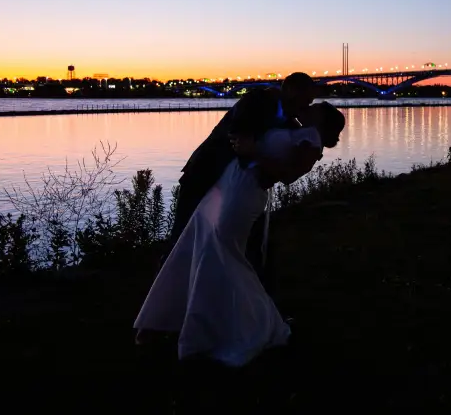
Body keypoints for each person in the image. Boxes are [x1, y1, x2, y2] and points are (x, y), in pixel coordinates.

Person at [133, 101, 346, 366]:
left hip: (246, 191)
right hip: (230, 179)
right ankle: (166, 321)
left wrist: (254, 151)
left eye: (318, 106)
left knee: (223, 253)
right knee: (196, 240)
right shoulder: (291, 126)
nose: (311, 104)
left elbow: (287, 175)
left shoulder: (312, 143)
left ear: (322, 119)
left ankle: (237, 324)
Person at [166, 72, 316, 286]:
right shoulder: (256, 101)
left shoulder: (291, 123)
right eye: (307, 99)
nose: (308, 105)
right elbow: (239, 136)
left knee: (248, 241)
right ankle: (171, 285)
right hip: (206, 173)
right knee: (183, 233)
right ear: (292, 90)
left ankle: (246, 289)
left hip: (240, 186)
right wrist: (266, 165)